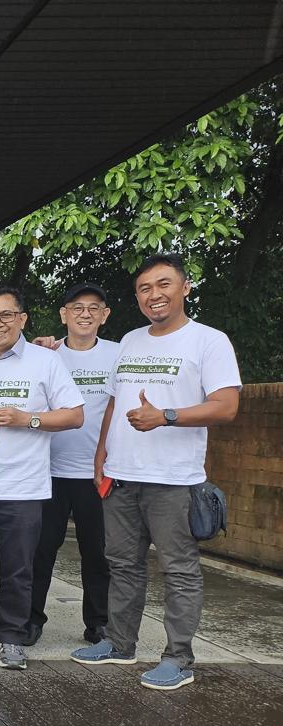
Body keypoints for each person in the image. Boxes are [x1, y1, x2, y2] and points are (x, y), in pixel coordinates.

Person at [72, 253, 241, 690]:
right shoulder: (130, 340)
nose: (154, 295)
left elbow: (226, 406)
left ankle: (178, 658)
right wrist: (101, 458)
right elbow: (114, 402)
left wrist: (165, 416)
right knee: (122, 565)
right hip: (121, 475)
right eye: (145, 288)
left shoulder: (209, 341)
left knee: (178, 570)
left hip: (174, 481)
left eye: (164, 284)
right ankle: (119, 643)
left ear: (185, 287)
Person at [0, 286, 84, 670]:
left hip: (23, 487)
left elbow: (75, 415)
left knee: (18, 569)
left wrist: (28, 419)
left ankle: (11, 638)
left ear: (22, 319)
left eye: (6, 315)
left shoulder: (46, 361)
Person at [28, 283, 119, 647]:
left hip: (96, 473)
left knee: (97, 553)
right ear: (63, 314)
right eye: (77, 307)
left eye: (93, 308)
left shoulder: (118, 354)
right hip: (47, 470)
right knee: (40, 550)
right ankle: (31, 620)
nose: (85, 314)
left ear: (104, 315)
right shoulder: (45, 355)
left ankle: (98, 623)